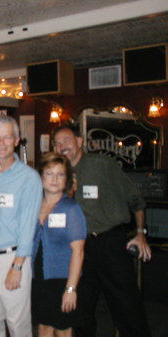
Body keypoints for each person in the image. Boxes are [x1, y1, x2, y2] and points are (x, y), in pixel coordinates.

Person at [53, 125, 152, 337]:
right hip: (79, 250)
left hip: (109, 244)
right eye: (57, 143)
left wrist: (141, 233)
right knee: (81, 311)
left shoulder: (103, 165)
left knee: (127, 308)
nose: (62, 146)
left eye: (66, 141)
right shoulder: (57, 174)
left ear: (79, 142)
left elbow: (136, 201)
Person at [0, 116, 42, 337]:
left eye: (6, 137)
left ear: (16, 140)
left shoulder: (29, 178)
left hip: (12, 258)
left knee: (17, 323)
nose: (1, 142)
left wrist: (18, 266)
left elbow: (28, 225)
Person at [31, 152, 86, 337]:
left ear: (66, 179)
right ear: (41, 176)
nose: (54, 179)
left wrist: (71, 289)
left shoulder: (71, 209)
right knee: (43, 328)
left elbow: (78, 252)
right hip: (39, 278)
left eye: (60, 174)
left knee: (63, 330)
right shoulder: (34, 205)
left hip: (62, 279)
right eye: (49, 173)